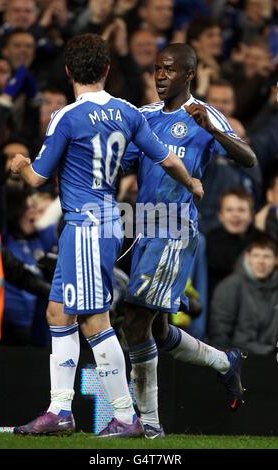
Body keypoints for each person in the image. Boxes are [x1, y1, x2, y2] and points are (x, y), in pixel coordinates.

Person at [10, 33, 203, 437]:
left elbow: (36, 178)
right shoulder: (129, 113)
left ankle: (125, 416)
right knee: (58, 313)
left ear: (68, 72)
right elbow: (167, 158)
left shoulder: (67, 116)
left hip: (85, 226)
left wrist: (19, 162)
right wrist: (194, 184)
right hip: (105, 222)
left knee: (94, 321)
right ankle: (59, 410)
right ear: (107, 70)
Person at [121, 43, 257, 438]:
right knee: (158, 331)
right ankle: (224, 362)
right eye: (157, 69)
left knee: (135, 319)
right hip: (143, 227)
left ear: (189, 74)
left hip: (176, 229)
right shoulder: (143, 116)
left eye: (169, 69)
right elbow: (127, 161)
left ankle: (148, 426)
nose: (161, 76)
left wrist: (212, 130)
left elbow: (248, 158)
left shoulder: (203, 114)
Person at [209, 234, 278, 355]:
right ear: (247, 257)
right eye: (256, 255)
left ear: (276, 260)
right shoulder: (229, 286)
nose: (261, 261)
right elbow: (219, 333)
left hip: (273, 360)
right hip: (239, 360)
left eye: (267, 256)